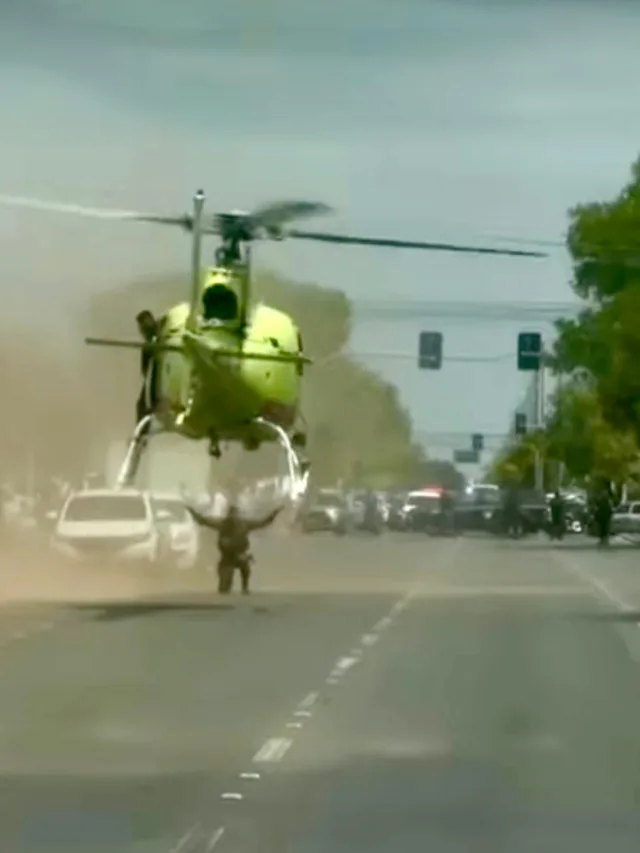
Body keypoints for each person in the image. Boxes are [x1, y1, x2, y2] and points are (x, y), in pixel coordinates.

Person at [185, 498, 284, 594]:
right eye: (231, 514)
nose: (233, 517)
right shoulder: (222, 523)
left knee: (245, 566)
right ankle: (227, 585)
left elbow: (263, 522)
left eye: (235, 514)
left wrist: (275, 512)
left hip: (239, 554)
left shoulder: (244, 524)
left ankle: (245, 587)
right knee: (224, 585)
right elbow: (202, 521)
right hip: (227, 556)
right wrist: (191, 511)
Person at [135, 310, 159, 424]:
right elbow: (144, 371)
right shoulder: (147, 346)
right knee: (141, 405)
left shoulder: (162, 335)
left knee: (141, 406)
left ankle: (140, 435)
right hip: (155, 376)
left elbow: (144, 371)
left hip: (159, 375)